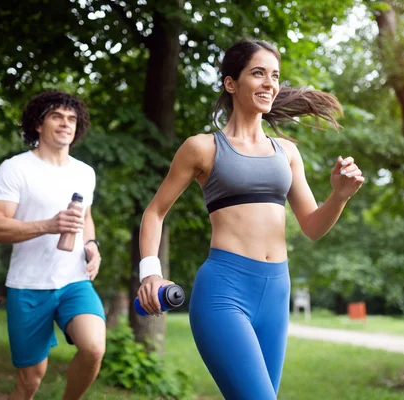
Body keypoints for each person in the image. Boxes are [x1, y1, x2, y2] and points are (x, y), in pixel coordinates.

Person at [136, 39, 365, 399]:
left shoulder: (286, 152)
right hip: (224, 292)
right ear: (231, 83)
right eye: (258, 73)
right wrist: (149, 271)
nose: (269, 83)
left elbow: (313, 226)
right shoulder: (203, 148)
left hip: (276, 291)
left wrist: (339, 195)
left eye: (274, 75)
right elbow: (155, 211)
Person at [0, 90, 105, 400]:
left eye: (72, 118)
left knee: (93, 348)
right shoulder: (16, 168)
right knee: (30, 381)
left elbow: (86, 217)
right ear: (39, 124)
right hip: (28, 285)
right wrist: (49, 226)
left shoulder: (85, 172)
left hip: (74, 280)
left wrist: (91, 244)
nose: (66, 123)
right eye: (57, 116)